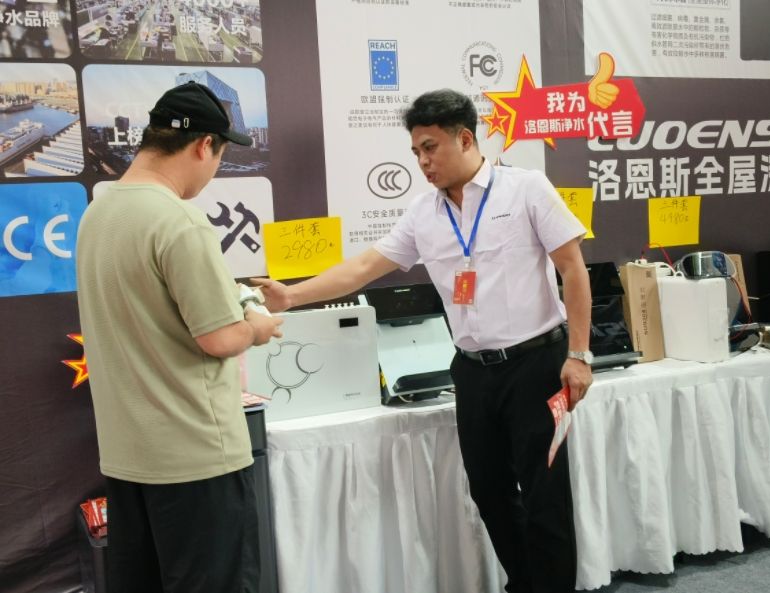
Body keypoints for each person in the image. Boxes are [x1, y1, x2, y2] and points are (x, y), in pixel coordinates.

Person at [256, 88, 592, 593]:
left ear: (465, 138)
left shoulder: (526, 189)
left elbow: (573, 269)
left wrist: (579, 355)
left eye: (430, 147)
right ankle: (526, 584)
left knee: (545, 496)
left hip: (536, 365)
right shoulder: (423, 213)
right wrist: (291, 296)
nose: (422, 162)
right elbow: (363, 268)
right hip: (473, 371)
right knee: (490, 492)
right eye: (416, 151)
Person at [76, 81, 283, 593]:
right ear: (203, 146)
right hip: (196, 457)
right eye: (220, 156)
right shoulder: (179, 221)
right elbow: (219, 339)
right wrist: (258, 327)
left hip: (128, 456)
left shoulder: (98, 212)